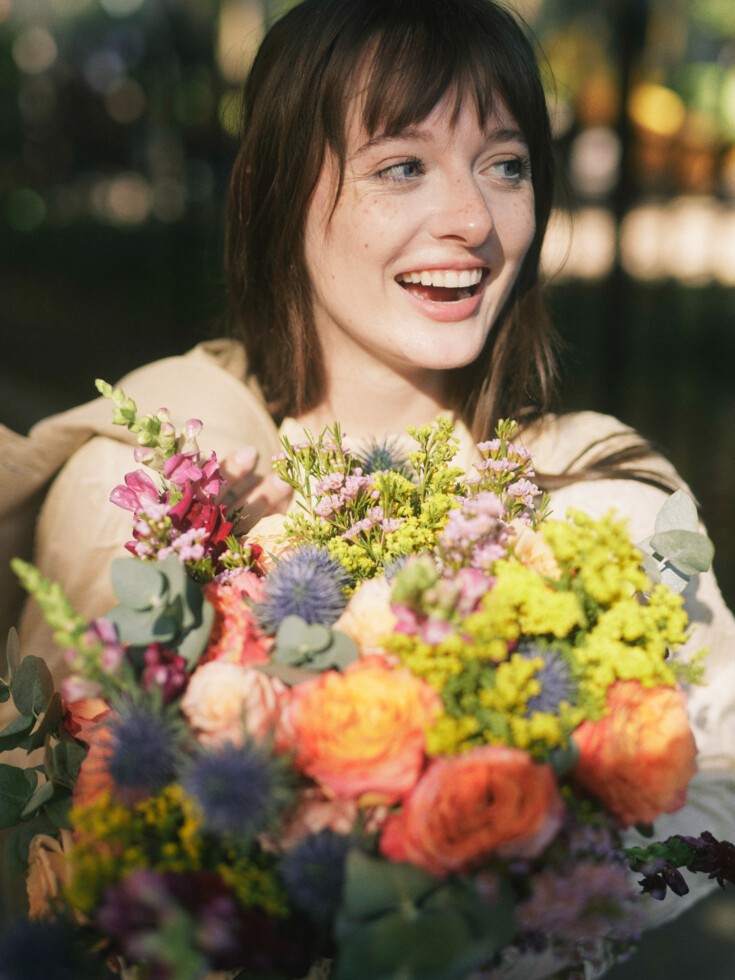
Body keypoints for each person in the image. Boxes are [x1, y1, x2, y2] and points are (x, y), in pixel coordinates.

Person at [0, 0, 733, 974]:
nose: (473, 220)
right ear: (274, 188)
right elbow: (63, 844)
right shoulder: (149, 487)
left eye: (506, 164)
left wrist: (490, 916)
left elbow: (714, 773)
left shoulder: (605, 498)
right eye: (402, 166)